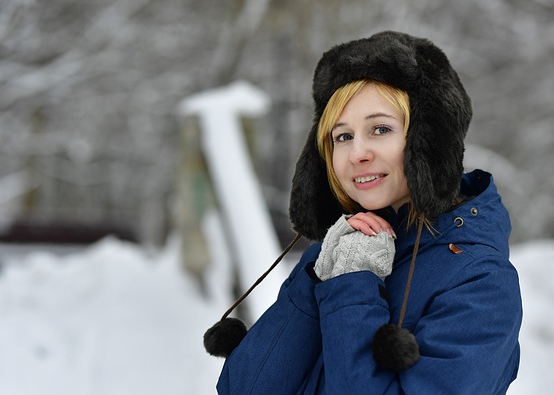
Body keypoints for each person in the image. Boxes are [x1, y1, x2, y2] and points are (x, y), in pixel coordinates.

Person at [204, 31, 523, 394]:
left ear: (427, 143)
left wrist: (353, 287)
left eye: (380, 129)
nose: (357, 153)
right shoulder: (337, 251)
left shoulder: (479, 282)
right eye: (343, 136)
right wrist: (321, 279)